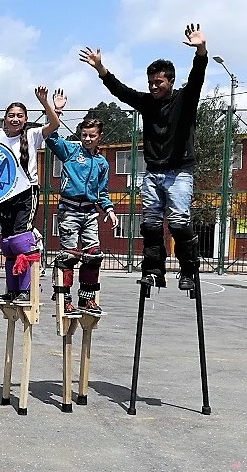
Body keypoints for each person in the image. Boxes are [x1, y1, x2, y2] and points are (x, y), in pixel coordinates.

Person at [80, 23, 208, 291]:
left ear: (170, 82)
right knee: (150, 224)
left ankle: (188, 272)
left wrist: (200, 51)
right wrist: (101, 69)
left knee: (178, 222)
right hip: (153, 172)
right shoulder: (147, 102)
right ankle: (153, 271)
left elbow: (197, 76)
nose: (153, 87)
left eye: (158, 82)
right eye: (150, 82)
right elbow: (121, 91)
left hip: (179, 172)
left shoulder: (185, 99)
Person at [0, 87, 61, 305]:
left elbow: (54, 124)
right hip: (5, 193)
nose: (15, 119)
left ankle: (29, 288)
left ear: (26, 119)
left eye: (20, 115)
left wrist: (46, 103)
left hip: (27, 191)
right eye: (11, 115)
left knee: (21, 239)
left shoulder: (32, 134)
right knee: (8, 243)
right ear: (5, 118)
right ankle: (13, 289)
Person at [46, 92, 116, 315]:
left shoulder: (102, 163)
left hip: (90, 212)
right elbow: (50, 137)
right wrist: (56, 111)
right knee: (69, 255)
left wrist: (110, 210)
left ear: (99, 137)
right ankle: (63, 298)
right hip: (69, 210)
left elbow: (102, 191)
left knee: (94, 254)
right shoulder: (71, 150)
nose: (87, 139)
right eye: (84, 135)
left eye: (91, 136)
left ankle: (87, 299)